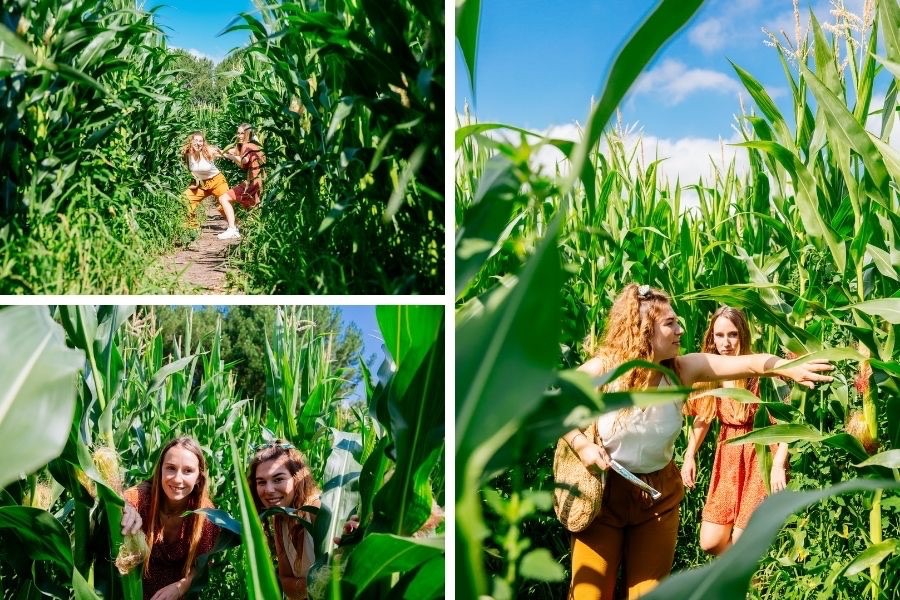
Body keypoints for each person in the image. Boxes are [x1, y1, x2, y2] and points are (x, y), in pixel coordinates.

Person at [563, 284, 832, 599]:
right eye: (670, 324)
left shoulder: (682, 371)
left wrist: (789, 368)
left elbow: (751, 363)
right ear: (644, 330)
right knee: (590, 595)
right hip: (604, 495)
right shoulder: (605, 369)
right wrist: (582, 445)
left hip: (657, 499)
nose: (680, 329)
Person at [680, 306, 789, 555]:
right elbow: (704, 415)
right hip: (728, 455)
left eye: (732, 335)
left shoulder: (759, 372)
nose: (725, 343)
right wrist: (689, 455)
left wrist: (778, 464)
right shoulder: (709, 372)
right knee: (710, 542)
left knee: (742, 542)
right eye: (719, 335)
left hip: (760, 453)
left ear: (743, 335)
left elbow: (786, 424)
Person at [123, 437, 219, 600]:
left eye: (188, 471)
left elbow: (203, 565)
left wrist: (181, 587)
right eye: (171, 468)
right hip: (133, 594)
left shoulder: (206, 516)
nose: (177, 479)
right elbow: (118, 500)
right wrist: (124, 507)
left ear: (198, 477)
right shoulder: (142, 499)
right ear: (160, 469)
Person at [248, 440, 321, 600]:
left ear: (297, 478)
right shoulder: (280, 519)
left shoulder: (318, 512)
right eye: (261, 482)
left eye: (278, 479)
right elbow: (286, 583)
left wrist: (303, 585)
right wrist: (315, 583)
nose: (268, 490)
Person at [180, 131, 240, 240]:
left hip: (217, 181)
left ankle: (234, 228)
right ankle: (192, 228)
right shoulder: (187, 153)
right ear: (191, 142)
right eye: (196, 141)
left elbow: (225, 152)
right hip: (201, 184)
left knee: (224, 203)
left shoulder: (208, 151)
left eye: (201, 141)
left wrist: (237, 156)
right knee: (185, 200)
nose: (198, 143)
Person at [221, 123, 265, 213]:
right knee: (253, 208)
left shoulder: (246, 145)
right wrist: (221, 153)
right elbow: (235, 152)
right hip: (258, 181)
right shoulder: (253, 145)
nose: (239, 136)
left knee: (224, 198)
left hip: (253, 182)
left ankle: (232, 223)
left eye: (242, 133)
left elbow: (244, 160)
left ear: (248, 134)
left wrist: (229, 156)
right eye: (238, 133)